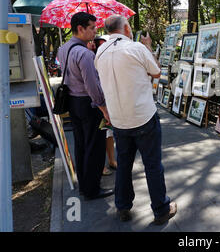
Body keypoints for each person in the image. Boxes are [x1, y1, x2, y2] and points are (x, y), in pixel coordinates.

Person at [94, 15, 177, 224]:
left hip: (118, 119)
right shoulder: (136, 48)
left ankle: (123, 206)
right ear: (126, 28)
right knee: (152, 165)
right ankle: (161, 209)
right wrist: (147, 47)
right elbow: (157, 72)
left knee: (123, 164)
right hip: (143, 117)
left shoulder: (100, 52)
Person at [57, 12, 114, 200]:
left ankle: (84, 184)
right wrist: (104, 108)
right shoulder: (84, 54)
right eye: (92, 27)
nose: (95, 31)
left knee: (81, 145)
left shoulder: (64, 49)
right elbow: (92, 86)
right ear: (80, 28)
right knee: (95, 147)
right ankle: (92, 189)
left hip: (73, 103)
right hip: (88, 105)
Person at [90, 35, 118, 176]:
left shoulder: (107, 59)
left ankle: (112, 160)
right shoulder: (90, 58)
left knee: (109, 133)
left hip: (108, 100)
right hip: (98, 103)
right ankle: (100, 165)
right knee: (100, 135)